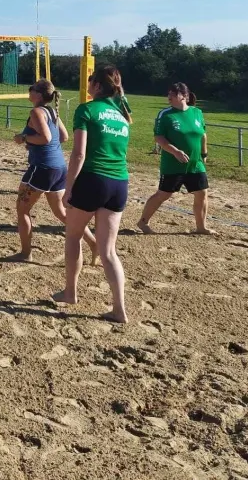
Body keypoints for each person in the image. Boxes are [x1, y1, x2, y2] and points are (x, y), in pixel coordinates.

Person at [53, 65, 132, 323]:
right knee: (109, 252)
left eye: (90, 81)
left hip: (93, 179)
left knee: (73, 236)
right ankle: (119, 309)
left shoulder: (86, 109)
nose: (87, 85)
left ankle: (70, 292)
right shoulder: (122, 115)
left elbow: (79, 154)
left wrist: (68, 188)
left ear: (97, 85)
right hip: (119, 182)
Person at [12, 79, 97, 262]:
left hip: (42, 168)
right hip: (59, 168)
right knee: (62, 213)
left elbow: (46, 138)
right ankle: (93, 243)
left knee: (22, 210)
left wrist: (24, 138)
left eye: (32, 88)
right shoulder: (52, 111)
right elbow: (64, 137)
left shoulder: (36, 112)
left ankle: (26, 253)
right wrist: (35, 143)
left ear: (39, 94)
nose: (29, 90)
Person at [137, 82, 213, 235]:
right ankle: (143, 222)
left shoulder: (197, 112)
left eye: (173, 94)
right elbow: (159, 137)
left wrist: (204, 154)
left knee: (202, 193)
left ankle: (201, 227)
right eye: (169, 93)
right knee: (164, 194)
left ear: (184, 96)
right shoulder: (165, 114)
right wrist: (175, 151)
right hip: (172, 164)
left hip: (195, 163)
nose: (169, 96)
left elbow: (203, 135)